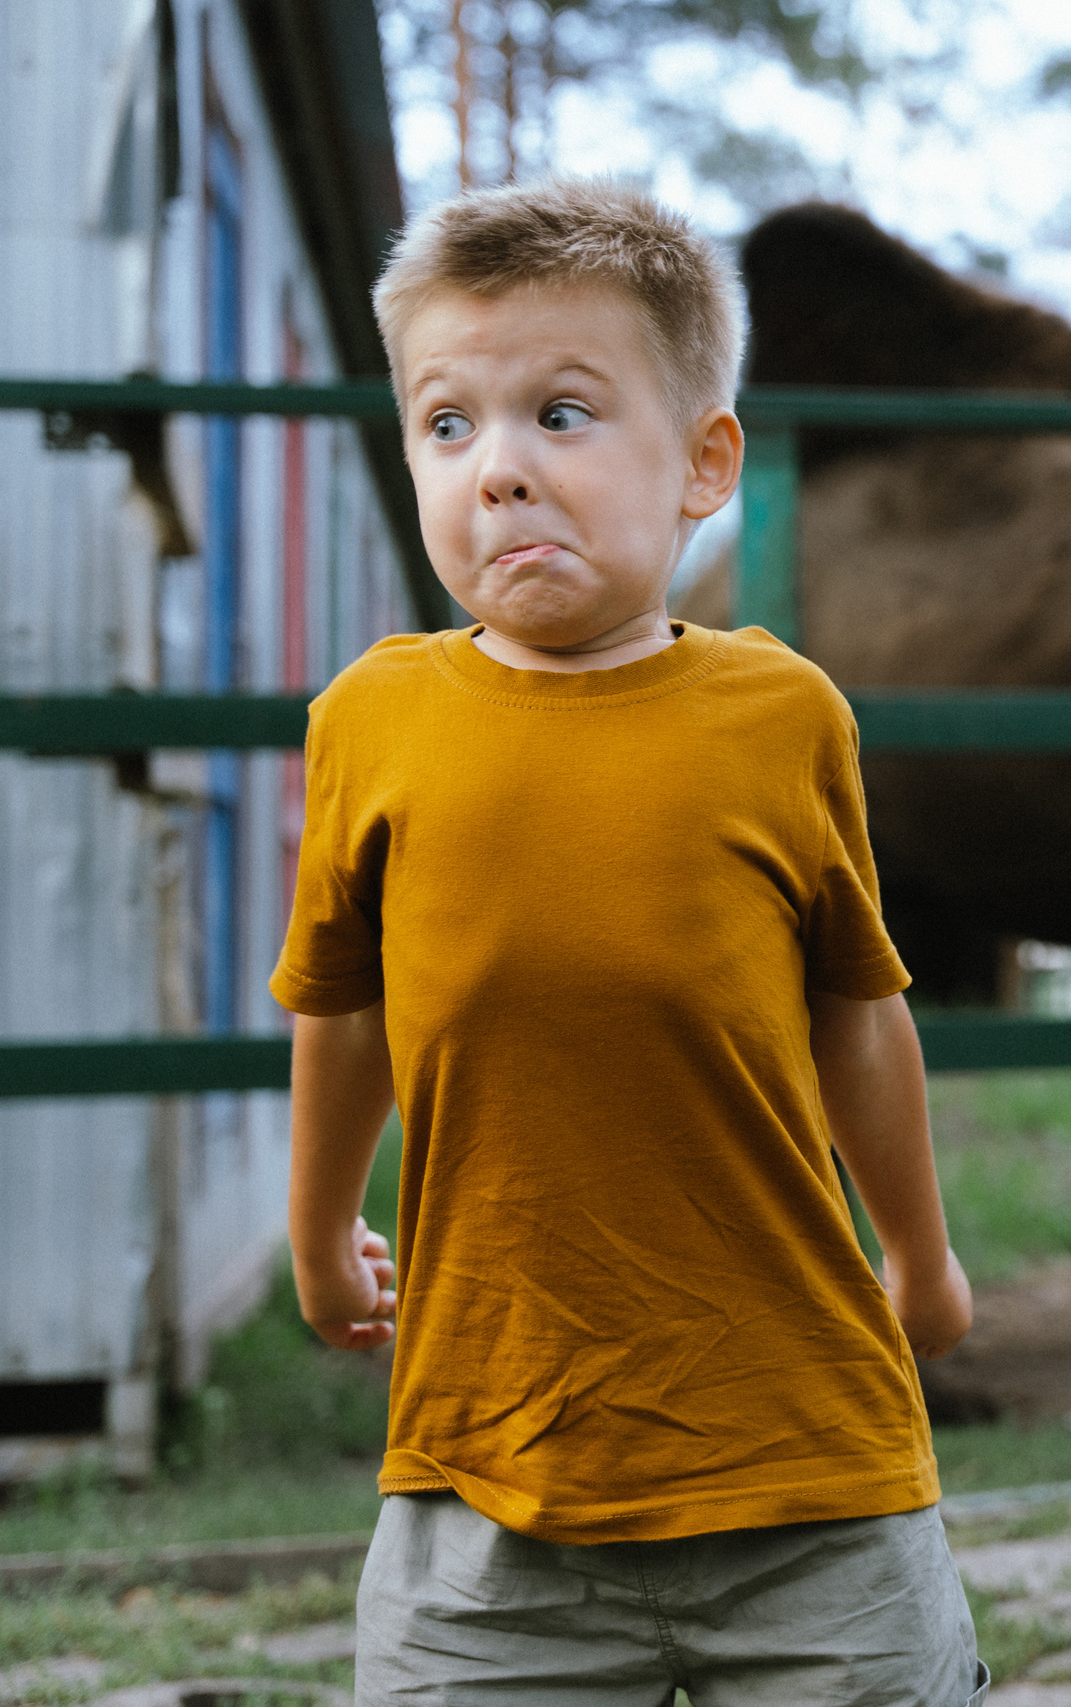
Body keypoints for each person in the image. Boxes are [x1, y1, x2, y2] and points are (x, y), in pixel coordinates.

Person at [272, 178, 984, 1705]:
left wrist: (919, 1254)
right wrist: (322, 1226)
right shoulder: (371, 725)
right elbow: (342, 1014)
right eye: (449, 426)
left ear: (703, 463)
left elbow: (861, 1012)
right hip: (486, 1485)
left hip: (812, 1485)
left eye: (565, 416)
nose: (502, 473)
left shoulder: (782, 717)